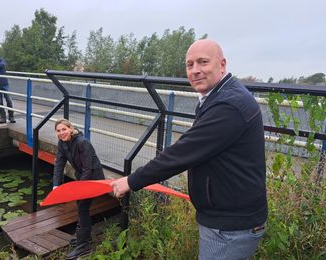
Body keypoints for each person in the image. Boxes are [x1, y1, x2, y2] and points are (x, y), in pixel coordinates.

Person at [110, 39, 267, 260]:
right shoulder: (216, 96)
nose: (195, 71)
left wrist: (131, 181)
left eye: (203, 62)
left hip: (230, 226)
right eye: (189, 64)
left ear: (222, 64)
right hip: (225, 217)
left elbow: (183, 153)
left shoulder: (228, 106)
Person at [53, 118, 105, 260]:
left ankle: (84, 245)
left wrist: (80, 190)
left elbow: (88, 169)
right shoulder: (62, 143)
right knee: (81, 206)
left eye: (64, 129)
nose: (62, 133)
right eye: (58, 131)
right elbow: (59, 164)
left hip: (94, 178)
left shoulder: (82, 143)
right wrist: (56, 186)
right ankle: (83, 238)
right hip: (82, 176)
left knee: (82, 207)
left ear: (71, 128)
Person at [0, 49, 15, 123]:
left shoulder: (1, 60)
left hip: (4, 84)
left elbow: (2, 66)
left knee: (9, 100)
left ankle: (11, 117)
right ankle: (3, 118)